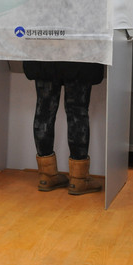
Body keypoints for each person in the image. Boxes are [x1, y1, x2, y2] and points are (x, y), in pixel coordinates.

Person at [23, 60, 103, 195]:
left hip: (45, 55)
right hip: (78, 57)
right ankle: (79, 179)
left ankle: (47, 176)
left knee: (44, 110)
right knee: (77, 112)